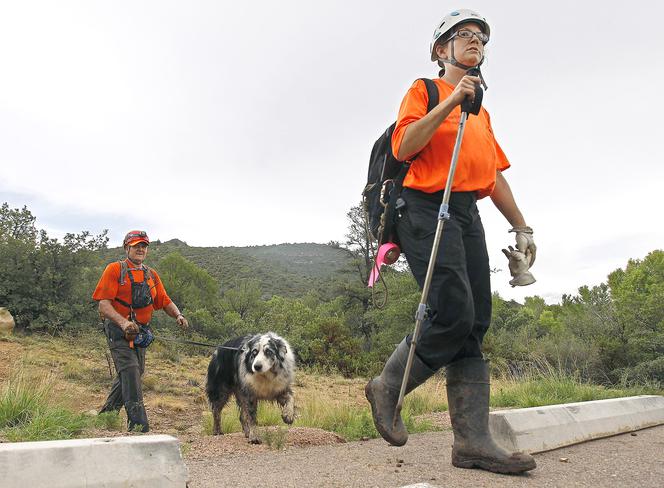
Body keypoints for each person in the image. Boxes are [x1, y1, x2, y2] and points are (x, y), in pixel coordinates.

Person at [365, 9, 537, 474]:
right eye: (464, 35)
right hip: (423, 206)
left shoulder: (481, 110)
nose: (476, 41)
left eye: (482, 37)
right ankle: (387, 386)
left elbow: (492, 174)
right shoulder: (425, 90)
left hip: (465, 210)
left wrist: (523, 226)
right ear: (442, 50)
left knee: (475, 319)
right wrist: (449, 101)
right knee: (452, 308)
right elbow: (404, 147)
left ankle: (472, 444)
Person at [93, 230, 189, 432]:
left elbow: (164, 301)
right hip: (119, 331)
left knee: (134, 372)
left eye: (144, 246)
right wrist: (123, 323)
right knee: (130, 371)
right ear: (126, 247)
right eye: (136, 245)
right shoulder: (114, 270)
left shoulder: (151, 275)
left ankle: (106, 416)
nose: (141, 249)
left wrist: (178, 315)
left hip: (140, 332)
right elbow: (103, 305)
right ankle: (139, 428)